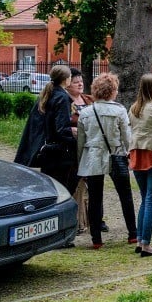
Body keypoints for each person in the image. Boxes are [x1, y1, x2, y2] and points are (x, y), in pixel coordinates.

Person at [77, 73, 136, 249]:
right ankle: (133, 233)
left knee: (95, 198)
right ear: (112, 91)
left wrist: (81, 160)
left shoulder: (85, 112)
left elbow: (80, 141)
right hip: (116, 154)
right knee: (125, 196)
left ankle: (96, 238)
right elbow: (127, 137)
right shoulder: (119, 110)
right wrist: (128, 152)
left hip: (93, 156)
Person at [15, 65, 78, 194]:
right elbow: (61, 128)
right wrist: (72, 134)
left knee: (49, 187)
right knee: (61, 190)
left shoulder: (48, 94)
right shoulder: (61, 97)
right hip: (59, 152)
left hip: (47, 149)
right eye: (70, 77)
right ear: (66, 79)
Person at [128, 73, 152, 256]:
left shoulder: (134, 107)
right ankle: (146, 244)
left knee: (145, 198)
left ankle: (140, 241)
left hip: (136, 155)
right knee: (151, 199)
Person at [67, 68, 94, 234]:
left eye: (81, 81)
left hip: (90, 147)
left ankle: (94, 218)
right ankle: (77, 220)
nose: (80, 84)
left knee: (92, 184)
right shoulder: (65, 102)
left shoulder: (89, 100)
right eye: (76, 81)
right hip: (74, 148)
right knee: (76, 184)